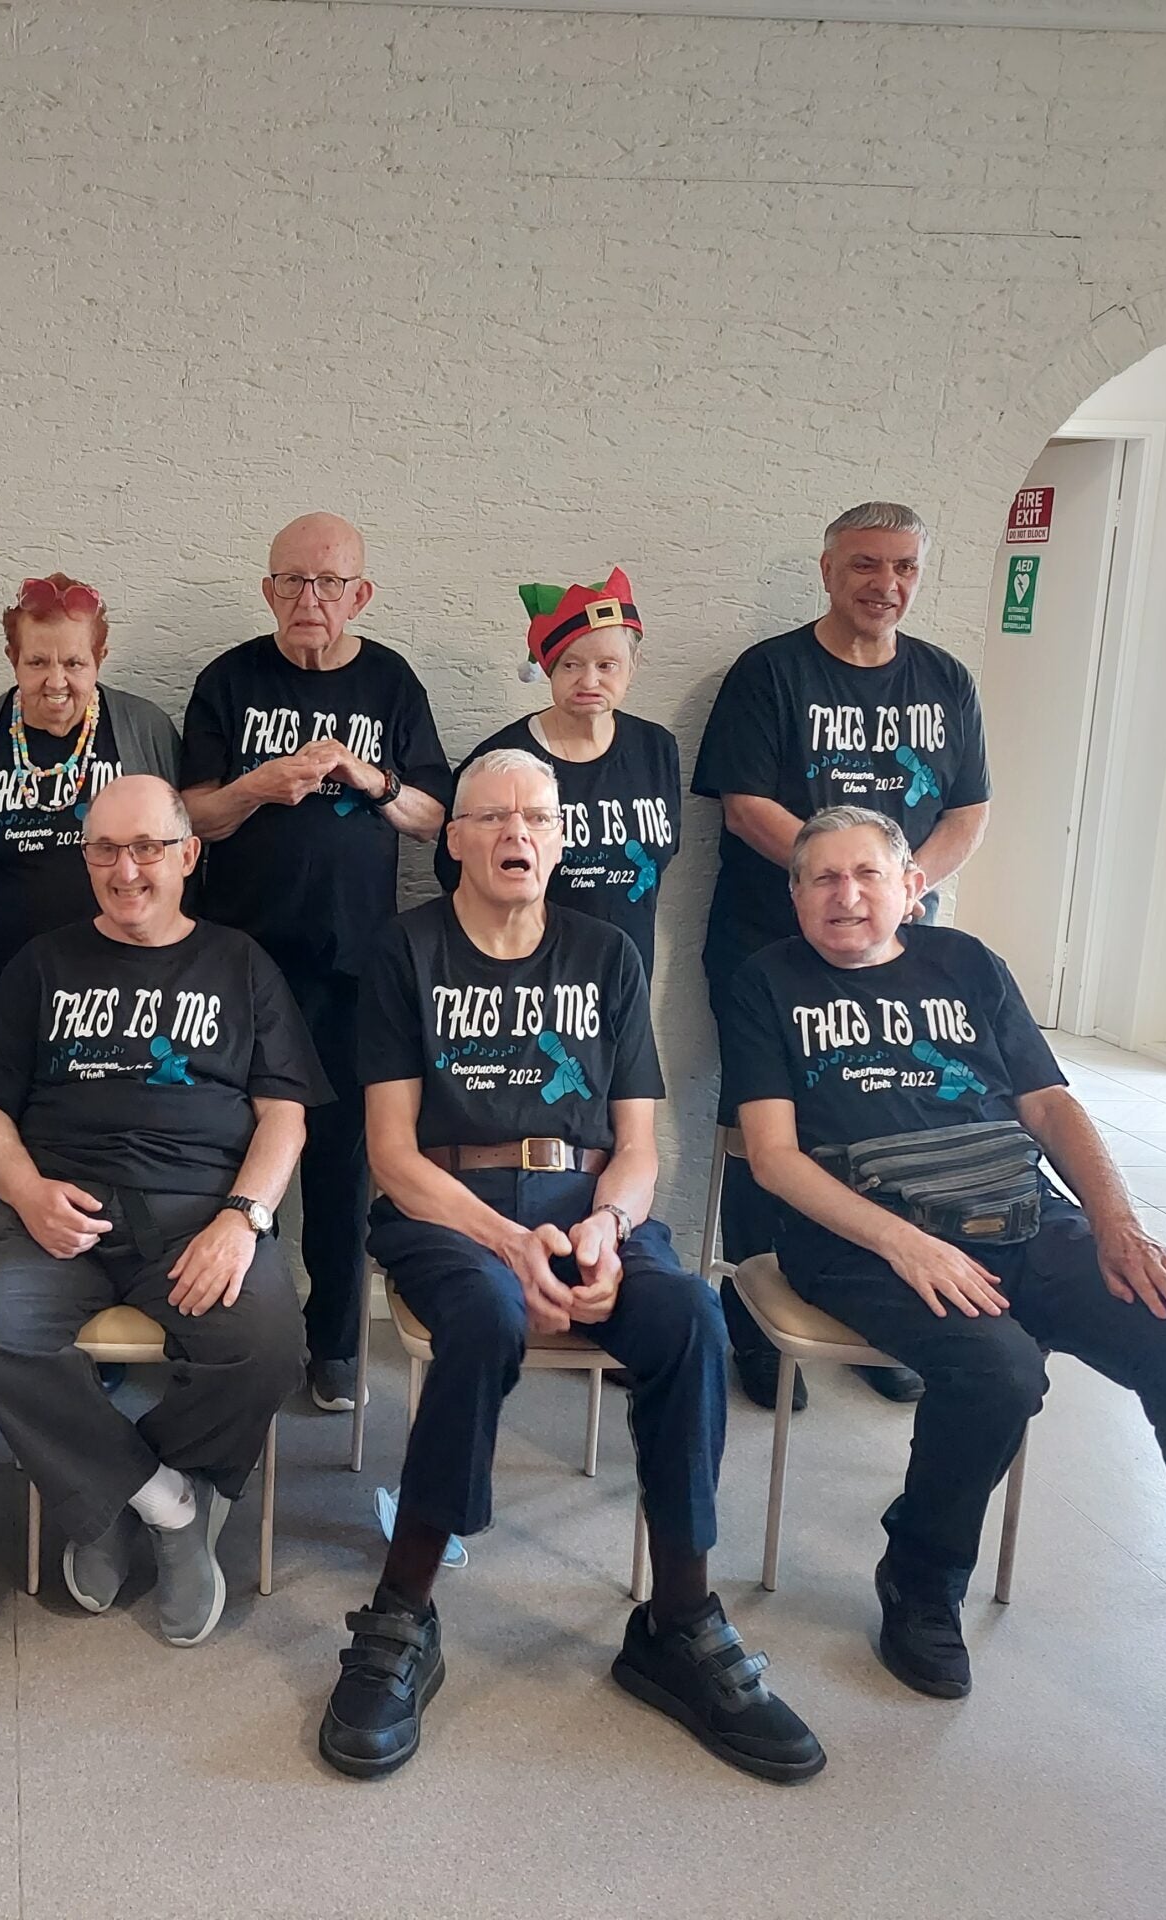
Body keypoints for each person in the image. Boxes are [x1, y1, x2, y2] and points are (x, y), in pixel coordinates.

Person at [722, 807, 1166, 1765]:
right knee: (997, 1371)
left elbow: (1048, 1104)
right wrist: (906, 1246)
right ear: (794, 897)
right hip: (863, 1237)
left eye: (867, 874)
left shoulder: (967, 964)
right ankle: (921, 1579)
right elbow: (775, 1158)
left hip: (1025, 1216)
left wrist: (1119, 1225)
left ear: (912, 887)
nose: (846, 895)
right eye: (821, 878)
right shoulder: (768, 981)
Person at [317, 750, 820, 1783]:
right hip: (446, 1209)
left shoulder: (606, 955)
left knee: (688, 1316)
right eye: (493, 816)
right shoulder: (406, 950)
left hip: (585, 1202)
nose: (517, 832)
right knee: (485, 1316)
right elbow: (392, 1155)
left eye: (537, 817)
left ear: (559, 840)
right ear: (454, 838)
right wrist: (506, 1242)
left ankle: (679, 1621)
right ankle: (402, 1615)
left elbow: (637, 1146)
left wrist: (606, 1227)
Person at [0, 776, 317, 1648]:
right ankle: (163, 1501)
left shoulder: (241, 964)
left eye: (147, 847)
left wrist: (242, 1219)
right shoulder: (42, 964)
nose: (126, 870)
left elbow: (286, 1114)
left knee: (267, 1345)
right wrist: (26, 1191)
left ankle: (110, 1486)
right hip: (57, 1212)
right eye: (105, 850)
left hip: (200, 1214)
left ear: (188, 854)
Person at [694, 502, 991, 1410]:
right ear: (827, 571)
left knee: (888, 1121)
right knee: (765, 1133)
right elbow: (745, 805)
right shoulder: (771, 673)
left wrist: (895, 893)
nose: (885, 584)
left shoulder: (945, 680)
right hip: (769, 948)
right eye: (866, 565)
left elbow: (967, 810)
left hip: (900, 954)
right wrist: (847, 887)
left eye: (904, 567)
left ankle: (887, 1314)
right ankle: (752, 1322)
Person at [181, 513, 451, 1413]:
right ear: (268, 591)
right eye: (293, 581)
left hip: (352, 968)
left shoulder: (391, 681)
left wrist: (370, 779)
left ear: (359, 595)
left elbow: (437, 818)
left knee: (340, 1163)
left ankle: (334, 1344)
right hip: (237, 966)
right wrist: (257, 786)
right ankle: (223, 1335)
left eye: (329, 583)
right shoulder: (228, 679)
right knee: (227, 1152)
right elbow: (191, 817)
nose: (310, 598)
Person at [0, 572, 180, 1065]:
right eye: (37, 662)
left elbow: (179, 864)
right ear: (12, 658)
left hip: (125, 997)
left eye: (74, 662)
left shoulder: (145, 731)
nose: (56, 681)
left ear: (100, 658)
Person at [442, 569, 682, 982]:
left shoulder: (656, 748)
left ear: (633, 665)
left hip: (625, 981)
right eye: (571, 664)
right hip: (528, 985)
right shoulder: (501, 761)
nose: (589, 680)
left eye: (607, 665)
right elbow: (456, 877)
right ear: (549, 668)